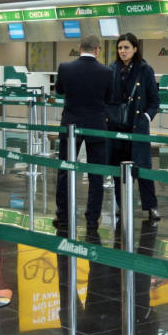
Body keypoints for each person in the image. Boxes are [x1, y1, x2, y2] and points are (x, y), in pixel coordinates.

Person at [54, 35, 114, 231]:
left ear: (79, 48)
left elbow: (59, 91)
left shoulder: (65, 68)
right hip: (97, 125)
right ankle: (92, 219)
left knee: (65, 171)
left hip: (70, 125)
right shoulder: (107, 72)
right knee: (96, 174)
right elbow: (110, 97)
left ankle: (63, 215)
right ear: (98, 50)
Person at [107, 33, 161, 221]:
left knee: (143, 168)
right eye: (120, 48)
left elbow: (155, 100)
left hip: (137, 128)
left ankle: (151, 207)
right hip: (116, 127)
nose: (122, 51)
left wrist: (146, 117)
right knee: (117, 170)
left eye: (126, 48)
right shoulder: (112, 69)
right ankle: (122, 205)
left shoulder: (145, 70)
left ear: (135, 49)